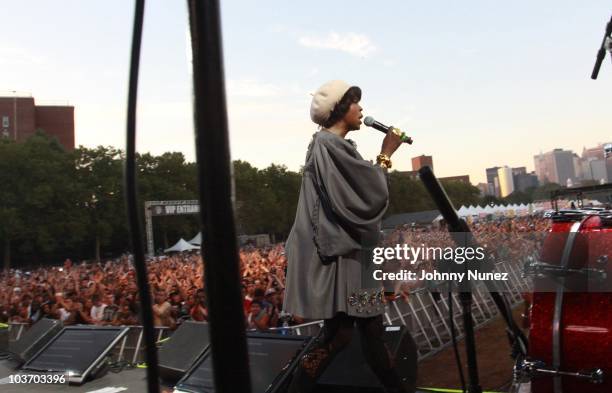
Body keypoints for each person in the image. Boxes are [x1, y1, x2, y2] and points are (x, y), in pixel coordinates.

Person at [284, 80, 411, 393]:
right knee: (347, 333)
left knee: (367, 330)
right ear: (340, 109)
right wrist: (385, 154)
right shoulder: (328, 145)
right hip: (344, 258)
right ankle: (294, 388)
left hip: (353, 256)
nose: (361, 109)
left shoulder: (333, 147)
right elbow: (366, 197)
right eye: (355, 103)